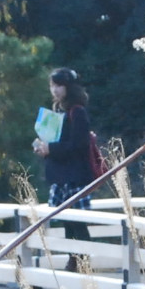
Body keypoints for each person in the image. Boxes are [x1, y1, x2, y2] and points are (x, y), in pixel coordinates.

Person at [33, 68, 97, 209]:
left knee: (78, 225)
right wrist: (44, 149)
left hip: (75, 177)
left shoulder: (77, 111)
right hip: (60, 176)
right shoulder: (59, 109)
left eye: (59, 85)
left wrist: (50, 148)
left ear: (69, 87)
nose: (55, 90)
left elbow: (79, 145)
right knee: (69, 225)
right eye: (52, 86)